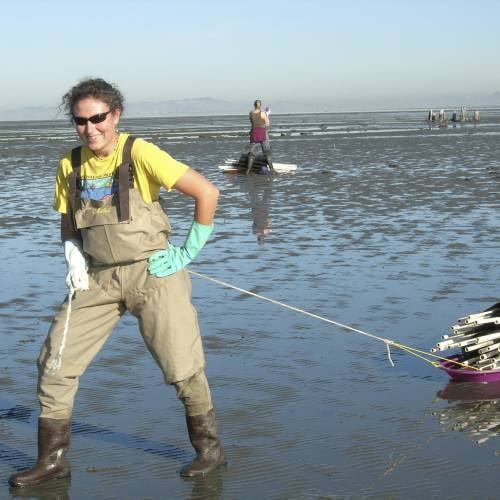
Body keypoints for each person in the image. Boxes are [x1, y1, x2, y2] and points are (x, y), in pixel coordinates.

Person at [9, 78, 225, 488]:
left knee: (182, 366)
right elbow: (68, 226)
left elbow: (206, 193)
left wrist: (185, 252)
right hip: (96, 279)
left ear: (116, 115)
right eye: (80, 121)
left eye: (98, 118)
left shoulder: (138, 152)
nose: (90, 128)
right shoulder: (69, 165)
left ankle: (210, 452)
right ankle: (52, 462)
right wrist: (73, 256)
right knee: (55, 363)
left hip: (154, 274)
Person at [245, 99, 275, 174]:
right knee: (267, 152)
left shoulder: (250, 113)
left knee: (251, 153)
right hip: (262, 133)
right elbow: (267, 124)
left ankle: (247, 170)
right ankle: (272, 169)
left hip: (253, 133)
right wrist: (266, 117)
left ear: (254, 105)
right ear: (260, 106)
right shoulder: (263, 113)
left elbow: (253, 122)